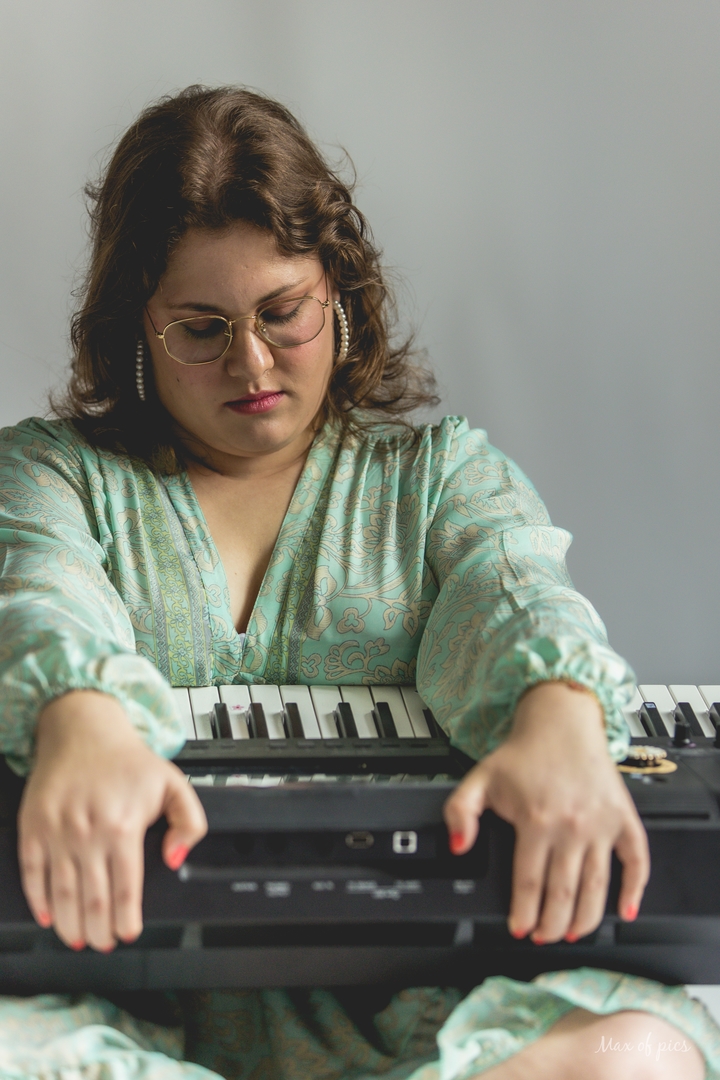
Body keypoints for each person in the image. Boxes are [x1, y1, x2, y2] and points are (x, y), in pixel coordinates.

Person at [0, 85, 716, 1080]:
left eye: (281, 312)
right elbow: (39, 593)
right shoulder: (55, 476)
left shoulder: (439, 480)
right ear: (137, 328)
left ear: (336, 291)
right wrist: (75, 717)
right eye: (200, 328)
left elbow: (513, 591)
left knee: (635, 1055)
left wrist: (557, 714)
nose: (251, 362)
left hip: (427, 1010)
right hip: (120, 1005)